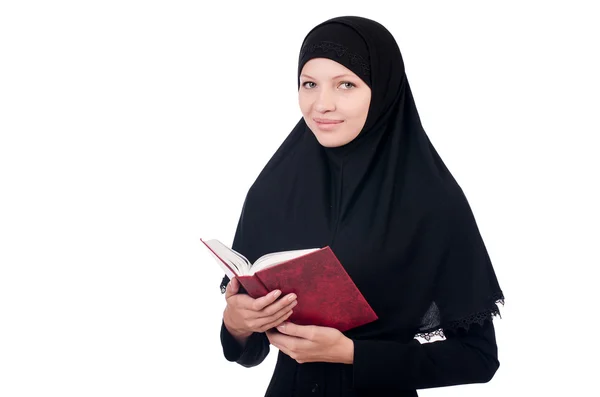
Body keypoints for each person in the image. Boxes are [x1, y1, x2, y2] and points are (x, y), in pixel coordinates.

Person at [217, 16, 505, 397]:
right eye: (309, 84)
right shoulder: (273, 188)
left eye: (346, 85)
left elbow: (478, 358)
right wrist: (236, 323)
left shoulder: (432, 201)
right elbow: (250, 352)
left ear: (382, 90)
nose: (322, 104)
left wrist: (353, 354)